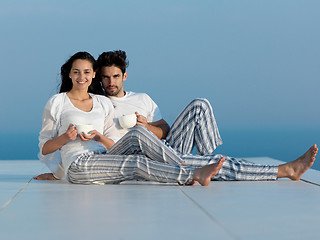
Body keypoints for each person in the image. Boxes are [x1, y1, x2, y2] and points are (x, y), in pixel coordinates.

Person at [35, 51, 227, 186]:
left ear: (93, 75)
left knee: (137, 132)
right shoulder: (57, 102)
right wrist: (66, 138)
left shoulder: (102, 102)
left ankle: (181, 163)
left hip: (104, 157)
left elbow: (111, 144)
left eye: (86, 72)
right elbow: (45, 147)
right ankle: (193, 173)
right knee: (135, 163)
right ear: (69, 74)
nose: (81, 76)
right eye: (76, 72)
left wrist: (98, 137)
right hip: (79, 163)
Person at [96, 50, 222, 155]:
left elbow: (165, 130)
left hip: (166, 149)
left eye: (116, 76)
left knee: (200, 105)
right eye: (106, 77)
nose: (111, 82)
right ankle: (206, 164)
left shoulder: (142, 98)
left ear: (124, 76)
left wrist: (146, 127)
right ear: (100, 79)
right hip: (139, 157)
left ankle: (206, 157)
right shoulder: (98, 103)